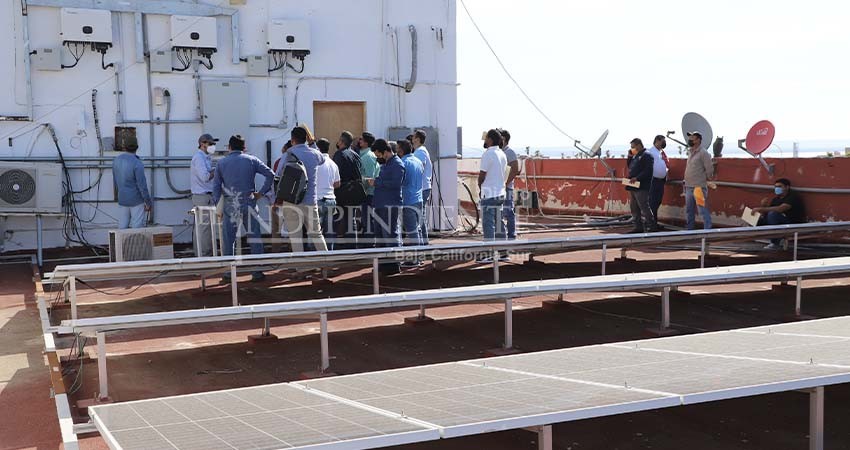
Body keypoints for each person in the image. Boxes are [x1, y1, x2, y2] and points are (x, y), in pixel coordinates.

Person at [212, 135, 275, 282]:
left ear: (229, 147)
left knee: (229, 240)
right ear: (244, 147)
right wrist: (260, 193)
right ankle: (257, 272)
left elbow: (216, 187)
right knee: (255, 238)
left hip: (230, 203)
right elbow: (270, 174)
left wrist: (217, 206)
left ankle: (228, 273)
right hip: (249, 201)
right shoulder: (251, 160)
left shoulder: (221, 163)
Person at [278, 126, 329, 254]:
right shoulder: (315, 153)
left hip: (291, 200)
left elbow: (278, 174)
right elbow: (322, 160)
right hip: (311, 200)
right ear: (306, 138)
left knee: (296, 238)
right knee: (317, 235)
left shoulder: (288, 154)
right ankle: (326, 264)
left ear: (292, 139)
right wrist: (312, 143)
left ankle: (301, 269)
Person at [368, 139, 404, 273]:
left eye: (378, 154)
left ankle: (393, 265)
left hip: (390, 205)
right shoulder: (388, 164)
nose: (378, 157)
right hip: (381, 204)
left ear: (385, 151)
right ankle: (384, 264)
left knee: (390, 234)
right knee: (381, 235)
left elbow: (396, 184)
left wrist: (377, 182)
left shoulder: (397, 164)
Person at [477, 129, 507, 262]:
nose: (484, 140)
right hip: (500, 193)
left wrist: (480, 187)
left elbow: (482, 175)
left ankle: (488, 253)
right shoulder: (502, 154)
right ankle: (503, 252)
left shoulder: (488, 154)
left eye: (486, 138)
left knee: (488, 224)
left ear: (490, 139)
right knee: (499, 224)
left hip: (489, 194)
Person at [752, 178, 806, 249]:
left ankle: (775, 243)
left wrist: (761, 209)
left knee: (773, 214)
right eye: (776, 187)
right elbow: (767, 213)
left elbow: (781, 209)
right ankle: (753, 236)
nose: (777, 188)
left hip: (791, 222)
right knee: (753, 218)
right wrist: (763, 206)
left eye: (780, 186)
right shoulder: (776, 199)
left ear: (787, 187)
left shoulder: (793, 196)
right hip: (777, 221)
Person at [112, 136, 152, 229]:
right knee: (136, 228)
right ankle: (135, 244)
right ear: (137, 147)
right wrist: (148, 202)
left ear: (124, 147)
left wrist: (117, 197)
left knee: (122, 227)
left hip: (122, 199)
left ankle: (121, 244)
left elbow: (115, 181)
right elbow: (142, 186)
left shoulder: (116, 161)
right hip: (136, 201)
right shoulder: (137, 163)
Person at [332, 131, 364, 249]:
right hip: (354, 191)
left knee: (337, 219)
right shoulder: (355, 154)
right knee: (351, 219)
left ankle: (339, 247)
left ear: (341, 141)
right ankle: (352, 246)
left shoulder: (339, 155)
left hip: (342, 191)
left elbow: (336, 175)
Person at [190, 134, 218, 256]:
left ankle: (204, 254)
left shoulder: (206, 157)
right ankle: (203, 256)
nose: (212, 146)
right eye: (210, 144)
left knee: (206, 228)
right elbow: (205, 177)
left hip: (206, 196)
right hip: (202, 196)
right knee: (204, 228)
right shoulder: (199, 158)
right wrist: (217, 169)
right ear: (203, 144)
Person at [398, 139, 425, 266]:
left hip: (408, 199)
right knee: (417, 229)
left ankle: (414, 259)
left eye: (398, 149)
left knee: (411, 230)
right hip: (418, 198)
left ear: (401, 150)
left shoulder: (403, 162)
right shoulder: (418, 161)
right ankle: (419, 256)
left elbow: (401, 181)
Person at [684, 131, 715, 230]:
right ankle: (690, 231)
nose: (690, 139)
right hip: (689, 186)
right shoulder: (691, 152)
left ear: (698, 140)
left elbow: (709, 169)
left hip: (698, 187)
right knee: (689, 210)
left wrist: (704, 179)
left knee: (702, 210)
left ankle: (707, 230)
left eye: (692, 138)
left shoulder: (703, 153)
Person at [625, 138, 657, 233]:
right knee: (634, 207)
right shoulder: (636, 156)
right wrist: (630, 157)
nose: (632, 149)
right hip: (633, 185)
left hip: (641, 185)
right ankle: (638, 226)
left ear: (639, 145)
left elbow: (648, 171)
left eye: (633, 147)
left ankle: (652, 225)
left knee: (644, 206)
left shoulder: (647, 155)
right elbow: (630, 166)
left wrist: (637, 178)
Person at [315, 138, 340, 250]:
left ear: (318, 148)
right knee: (329, 231)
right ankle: (329, 255)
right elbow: (337, 183)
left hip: (318, 199)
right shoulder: (333, 164)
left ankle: (315, 257)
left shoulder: (315, 163)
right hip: (331, 199)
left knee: (315, 231)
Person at [358, 131, 380, 247]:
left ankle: (369, 245)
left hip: (368, 194)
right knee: (367, 220)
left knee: (368, 220)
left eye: (361, 139)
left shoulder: (367, 157)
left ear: (366, 142)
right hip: (367, 193)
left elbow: (369, 178)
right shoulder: (365, 155)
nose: (359, 141)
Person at [411, 129, 433, 245]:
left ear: (418, 139)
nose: (412, 138)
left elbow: (418, 168)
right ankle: (424, 242)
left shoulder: (420, 152)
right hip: (423, 187)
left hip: (422, 187)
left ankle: (423, 243)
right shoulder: (419, 151)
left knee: (419, 216)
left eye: (414, 137)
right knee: (420, 215)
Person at [499, 129, 519, 240]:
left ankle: (511, 235)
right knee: (501, 212)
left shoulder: (509, 152)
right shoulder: (500, 152)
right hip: (500, 187)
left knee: (509, 212)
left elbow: (515, 169)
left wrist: (506, 183)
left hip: (507, 187)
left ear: (504, 139)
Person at [646, 135, 669, 224]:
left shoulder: (660, 153)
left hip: (660, 181)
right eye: (663, 141)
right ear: (657, 141)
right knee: (652, 203)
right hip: (653, 181)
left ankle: (653, 222)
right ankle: (650, 223)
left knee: (657, 202)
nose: (664, 143)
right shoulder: (651, 152)